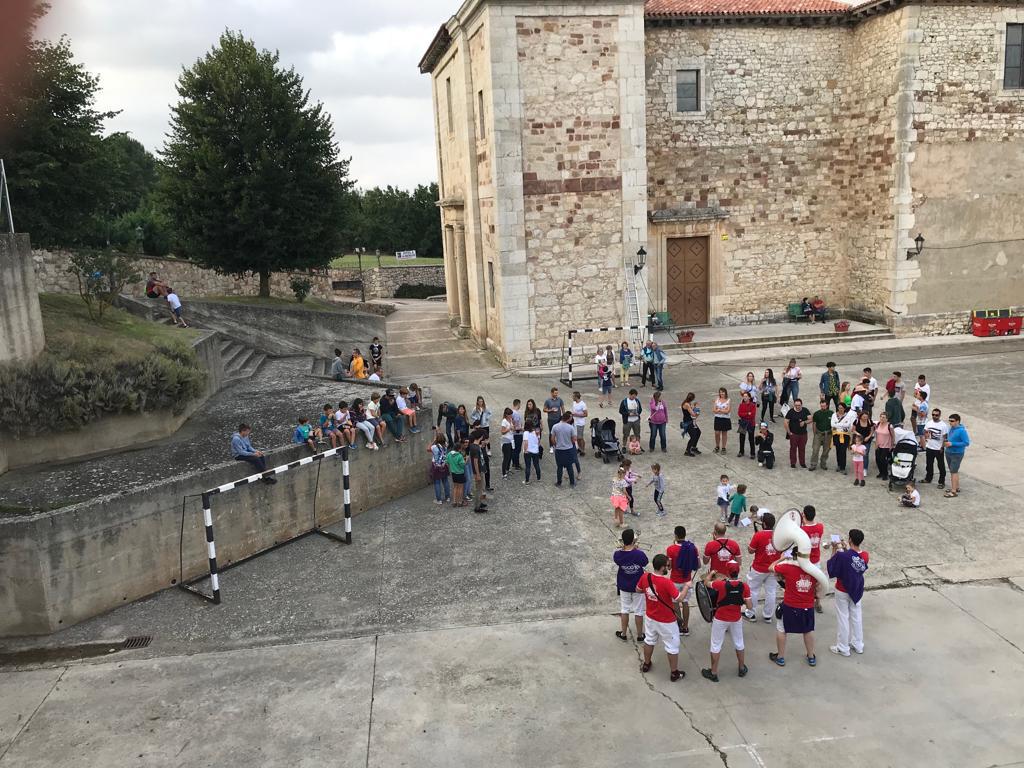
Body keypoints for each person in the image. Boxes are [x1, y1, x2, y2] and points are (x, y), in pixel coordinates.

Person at [700, 561, 752, 682]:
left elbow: (706, 583)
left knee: (716, 645)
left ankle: (713, 672)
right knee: (739, 643)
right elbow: (749, 606)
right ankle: (741, 668)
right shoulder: (745, 586)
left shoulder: (720, 585)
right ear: (738, 571)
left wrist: (711, 573)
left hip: (720, 618)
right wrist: (741, 600)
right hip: (736, 618)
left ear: (727, 572)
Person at [637, 554, 685, 682]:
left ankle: (646, 664)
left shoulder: (645, 576)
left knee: (649, 640)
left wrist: (648, 593)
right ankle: (674, 673)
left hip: (651, 617)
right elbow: (679, 598)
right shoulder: (666, 582)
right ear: (662, 567)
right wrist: (687, 586)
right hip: (666, 621)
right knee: (672, 646)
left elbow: (638, 589)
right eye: (667, 566)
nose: (668, 568)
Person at [769, 553, 820, 667]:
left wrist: (783, 558)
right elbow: (820, 587)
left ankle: (780, 657)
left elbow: (770, 567)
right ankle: (811, 657)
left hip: (790, 605)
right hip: (807, 606)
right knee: (807, 630)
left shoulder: (788, 567)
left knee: (781, 629)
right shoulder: (814, 570)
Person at [827, 529, 868, 656]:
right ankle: (858, 644)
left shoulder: (842, 556)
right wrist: (846, 549)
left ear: (850, 539)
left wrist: (835, 549)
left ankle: (843, 647)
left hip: (842, 589)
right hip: (857, 589)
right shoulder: (865, 555)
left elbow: (832, 567)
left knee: (843, 618)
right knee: (856, 617)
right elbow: (852, 562)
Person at [745, 511, 780, 623]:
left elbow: (751, 551)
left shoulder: (759, 535)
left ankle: (751, 614)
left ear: (764, 524)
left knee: (753, 591)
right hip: (773, 568)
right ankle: (768, 615)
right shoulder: (778, 535)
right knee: (771, 591)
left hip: (759, 568)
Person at [614, 528, 649, 641]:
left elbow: (618, 559)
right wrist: (635, 549)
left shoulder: (618, 555)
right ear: (633, 541)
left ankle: (623, 634)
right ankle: (640, 635)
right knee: (639, 611)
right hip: (638, 585)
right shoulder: (639, 554)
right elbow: (645, 562)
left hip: (624, 585)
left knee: (625, 609)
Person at [666, 526, 700, 636]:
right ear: (685, 535)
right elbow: (698, 565)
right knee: (685, 603)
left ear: (675, 535)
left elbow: (669, 567)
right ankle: (685, 627)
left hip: (675, 581)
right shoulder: (693, 548)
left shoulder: (670, 549)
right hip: (687, 581)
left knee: (675, 603)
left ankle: (678, 625)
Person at [801, 505, 825, 612]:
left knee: (805, 582)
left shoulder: (802, 529)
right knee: (817, 582)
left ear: (804, 515)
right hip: (816, 559)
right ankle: (818, 603)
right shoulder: (820, 527)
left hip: (805, 561)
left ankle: (806, 602)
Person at [922, 407, 949, 489]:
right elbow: (925, 431)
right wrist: (926, 437)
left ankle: (941, 482)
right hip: (930, 447)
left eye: (936, 415)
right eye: (933, 415)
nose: (934, 416)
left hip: (938, 448)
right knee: (929, 464)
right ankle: (928, 478)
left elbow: (945, 437)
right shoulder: (929, 423)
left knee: (941, 465)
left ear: (939, 415)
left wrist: (942, 447)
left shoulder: (943, 425)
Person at [944, 414, 970, 498]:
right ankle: (956, 487)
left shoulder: (962, 431)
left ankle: (954, 491)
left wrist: (952, 444)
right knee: (953, 471)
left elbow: (966, 442)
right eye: (949, 421)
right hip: (949, 452)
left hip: (957, 453)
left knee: (953, 472)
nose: (950, 422)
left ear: (957, 421)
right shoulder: (952, 429)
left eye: (952, 421)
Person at [551, 412, 577, 488]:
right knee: (569, 467)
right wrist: (570, 444)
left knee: (559, 467)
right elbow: (574, 439)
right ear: (568, 418)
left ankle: (559, 482)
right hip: (568, 449)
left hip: (559, 449)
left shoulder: (555, 426)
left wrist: (556, 445)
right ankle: (572, 483)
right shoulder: (570, 427)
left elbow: (552, 438)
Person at [784, 397, 810, 469]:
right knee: (793, 449)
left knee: (802, 449)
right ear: (794, 405)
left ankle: (802, 463)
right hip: (794, 434)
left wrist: (804, 422)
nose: (797, 406)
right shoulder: (791, 411)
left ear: (801, 405)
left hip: (803, 434)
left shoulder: (805, 410)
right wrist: (789, 432)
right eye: (796, 405)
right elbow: (786, 422)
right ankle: (793, 463)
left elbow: (810, 419)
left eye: (799, 405)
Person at [808, 398, 833, 471]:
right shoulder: (817, 413)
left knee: (826, 450)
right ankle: (813, 464)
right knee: (815, 449)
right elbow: (814, 424)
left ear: (827, 405)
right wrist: (814, 433)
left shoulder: (831, 413)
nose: (823, 408)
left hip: (828, 434)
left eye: (824, 406)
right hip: (818, 434)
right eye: (822, 406)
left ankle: (823, 463)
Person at [831, 403, 854, 474]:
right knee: (838, 450)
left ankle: (843, 467)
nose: (840, 409)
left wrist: (838, 425)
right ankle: (839, 465)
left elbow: (848, 425)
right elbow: (832, 424)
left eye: (841, 408)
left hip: (845, 435)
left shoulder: (848, 415)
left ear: (844, 408)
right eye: (839, 408)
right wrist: (842, 425)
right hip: (836, 435)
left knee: (843, 451)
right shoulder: (834, 415)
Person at [429, 434, 452, 505]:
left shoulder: (434, 447)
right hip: (444, 465)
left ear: (437, 439)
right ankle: (448, 497)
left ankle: (439, 500)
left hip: (436, 466)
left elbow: (427, 448)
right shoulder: (445, 445)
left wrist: (433, 440)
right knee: (445, 481)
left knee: (437, 482)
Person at [737, 390, 757, 459]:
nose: (744, 397)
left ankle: (752, 453)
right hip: (743, 422)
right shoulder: (741, 405)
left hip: (751, 423)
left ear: (749, 397)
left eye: (746, 396)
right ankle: (741, 451)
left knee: (751, 438)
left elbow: (752, 415)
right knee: (742, 438)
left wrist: (744, 414)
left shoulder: (753, 405)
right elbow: (739, 414)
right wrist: (747, 413)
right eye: (744, 396)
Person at [874, 412, 894, 480]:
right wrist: (876, 444)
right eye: (881, 417)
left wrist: (892, 445)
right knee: (877, 459)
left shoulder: (890, 426)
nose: (882, 418)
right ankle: (881, 472)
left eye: (883, 417)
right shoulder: (878, 424)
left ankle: (885, 474)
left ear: (887, 419)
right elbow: (877, 434)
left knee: (883, 460)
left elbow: (893, 436)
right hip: (878, 445)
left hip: (886, 446)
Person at [447, 441, 467, 507]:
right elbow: (462, 465)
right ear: (459, 449)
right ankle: (460, 502)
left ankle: (454, 501)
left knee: (455, 487)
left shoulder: (449, 454)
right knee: (460, 488)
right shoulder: (459, 456)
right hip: (460, 473)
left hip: (453, 473)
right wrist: (466, 460)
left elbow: (447, 462)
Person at [523, 417, 542, 485]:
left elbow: (526, 443)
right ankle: (539, 478)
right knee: (536, 465)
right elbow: (539, 441)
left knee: (528, 466)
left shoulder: (526, 433)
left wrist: (525, 451)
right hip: (535, 451)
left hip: (528, 451)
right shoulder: (536, 432)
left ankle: (527, 480)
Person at [712, 387, 732, 454]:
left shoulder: (728, 400)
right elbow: (714, 410)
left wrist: (719, 410)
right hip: (718, 418)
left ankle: (723, 447)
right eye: (720, 392)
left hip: (725, 419)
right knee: (717, 433)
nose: (721, 393)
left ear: (725, 393)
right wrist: (723, 410)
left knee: (724, 433)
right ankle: (717, 446)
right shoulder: (717, 400)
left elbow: (728, 411)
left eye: (723, 392)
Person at [571, 392, 589, 457]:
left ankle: (583, 450)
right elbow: (573, 411)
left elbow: (586, 414)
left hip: (580, 423)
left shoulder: (583, 404)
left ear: (576, 397)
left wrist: (576, 414)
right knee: (576, 437)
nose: (572, 397)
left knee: (580, 437)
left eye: (573, 396)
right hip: (574, 422)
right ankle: (579, 448)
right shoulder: (574, 403)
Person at [499, 407, 516, 479]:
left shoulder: (511, 420)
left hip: (511, 440)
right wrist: (509, 429)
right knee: (506, 457)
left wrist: (513, 427)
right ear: (506, 415)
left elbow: (513, 428)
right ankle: (503, 473)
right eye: (510, 415)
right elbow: (502, 432)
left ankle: (507, 469)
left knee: (510, 456)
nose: (511, 416)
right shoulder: (504, 421)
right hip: (506, 441)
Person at [510, 399, 525, 468]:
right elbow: (516, 425)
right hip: (517, 434)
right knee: (517, 450)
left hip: (513, 434)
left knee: (514, 449)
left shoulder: (511, 412)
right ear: (518, 404)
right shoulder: (516, 413)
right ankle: (516, 464)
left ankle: (514, 463)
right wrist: (521, 428)